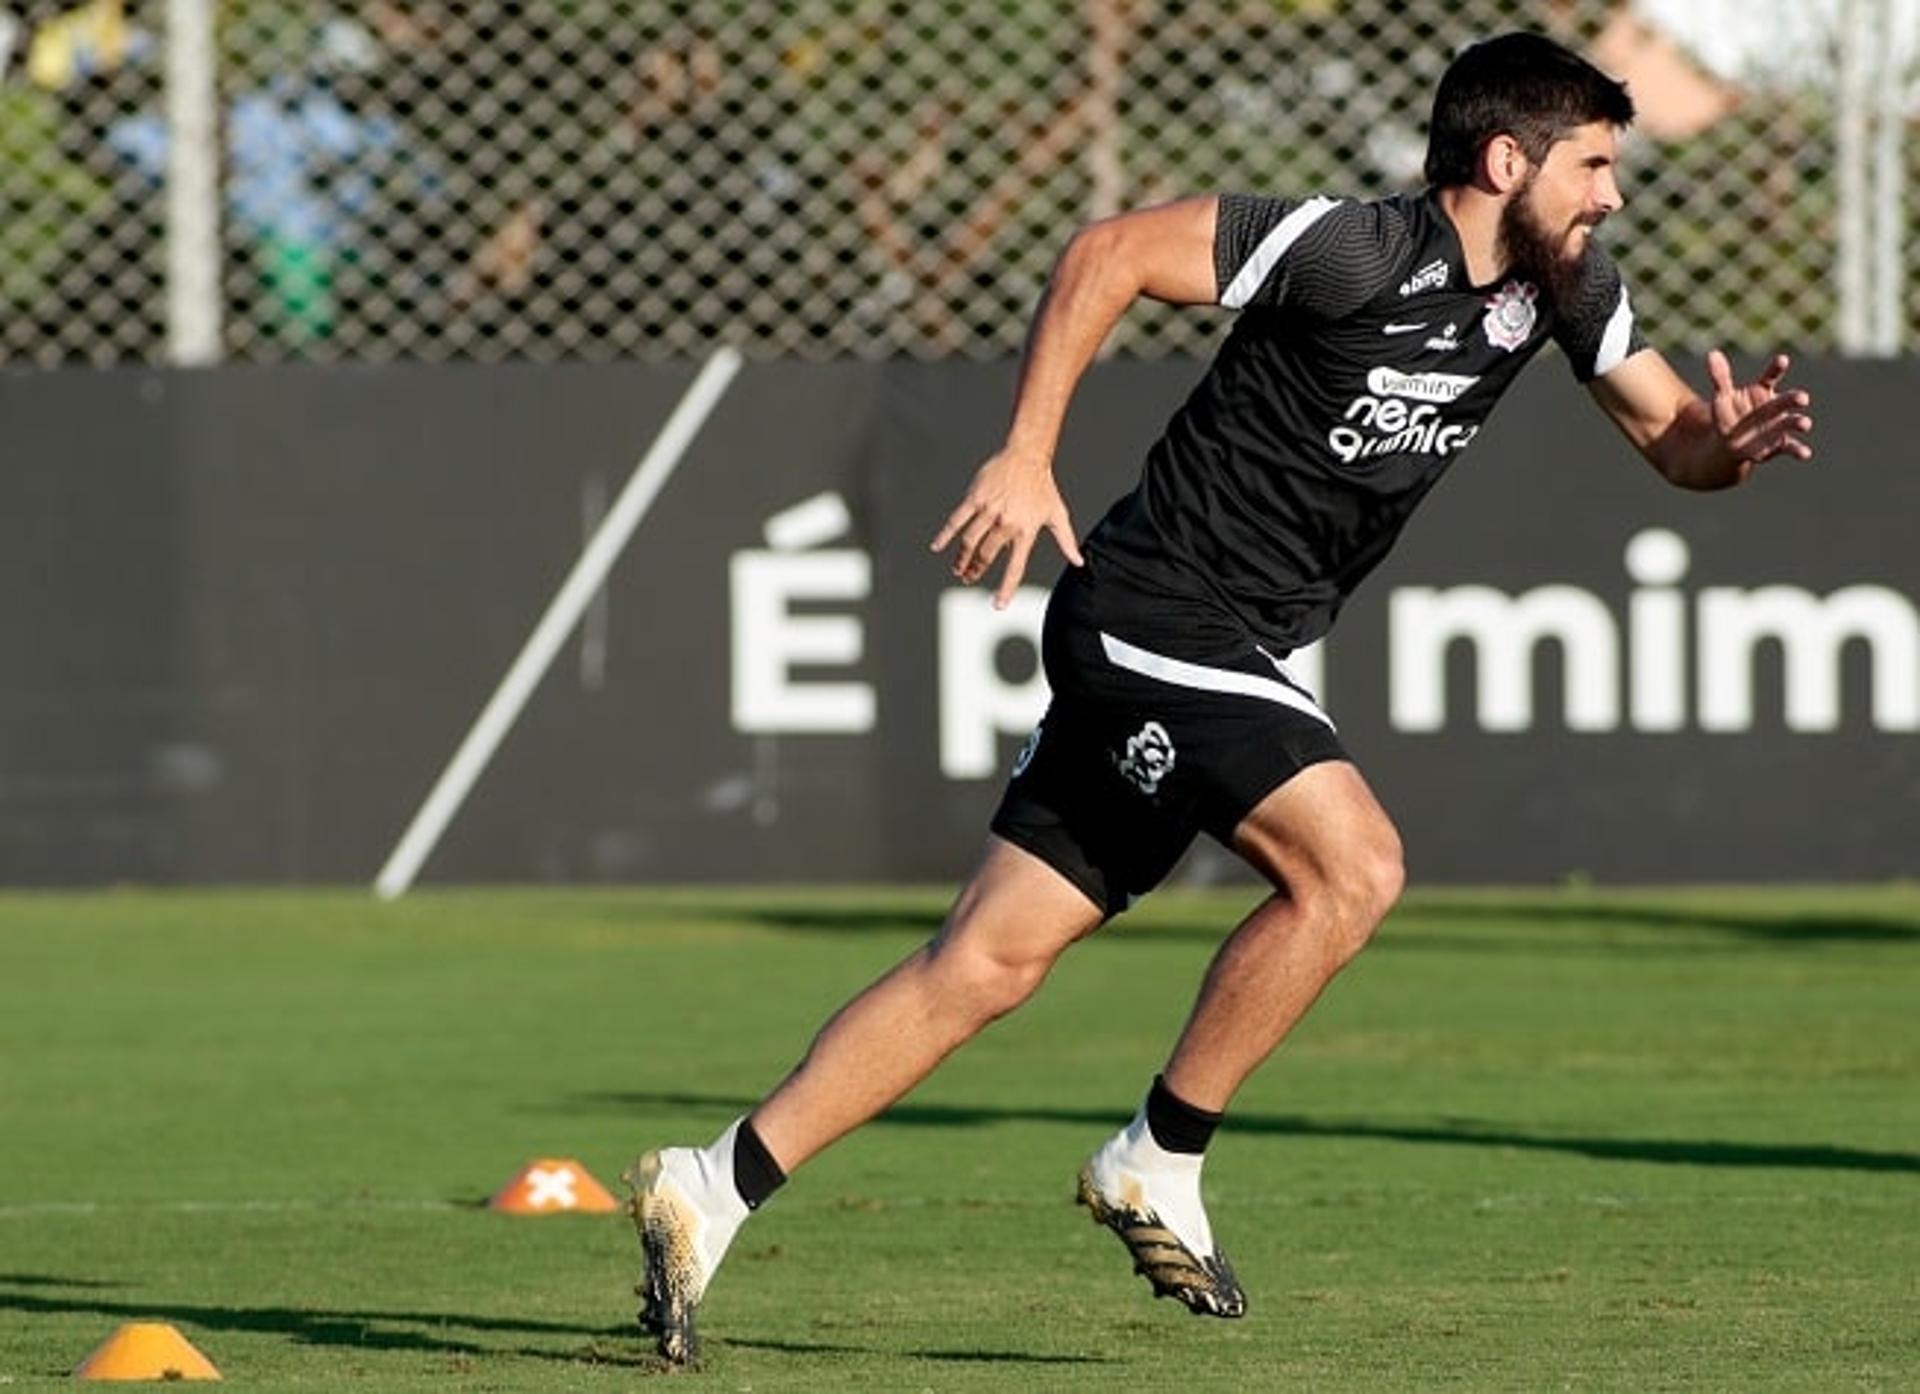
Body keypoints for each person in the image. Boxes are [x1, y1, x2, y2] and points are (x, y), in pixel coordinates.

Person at [624, 31, 1815, 1366]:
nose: (1607, 193)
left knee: (988, 961)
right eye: (1592, 165)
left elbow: (1672, 439)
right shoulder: (1355, 249)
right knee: (1355, 867)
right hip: (1157, 612)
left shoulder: (1566, 289)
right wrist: (1027, 453)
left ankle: (708, 1182)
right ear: (1504, 160)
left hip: (1222, 643)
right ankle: (1158, 1155)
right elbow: (1108, 252)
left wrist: (1732, 446)